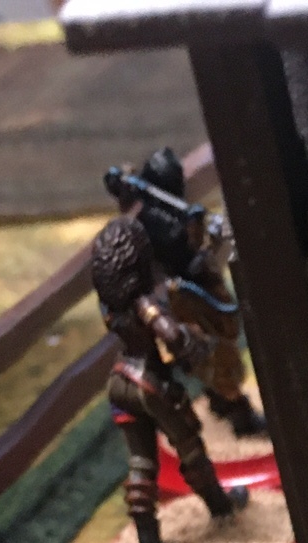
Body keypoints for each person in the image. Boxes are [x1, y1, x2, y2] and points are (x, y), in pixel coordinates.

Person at [88, 216, 242, 543]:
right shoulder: (143, 303)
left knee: (141, 462)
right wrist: (192, 344)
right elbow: (170, 334)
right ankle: (220, 507)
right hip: (151, 383)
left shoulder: (109, 306)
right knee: (190, 447)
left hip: (121, 379)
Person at [108, 148, 267, 437]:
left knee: (218, 347)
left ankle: (225, 404)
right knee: (216, 352)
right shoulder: (152, 219)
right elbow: (181, 254)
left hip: (194, 289)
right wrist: (194, 232)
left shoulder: (164, 210)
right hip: (184, 296)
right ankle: (237, 413)